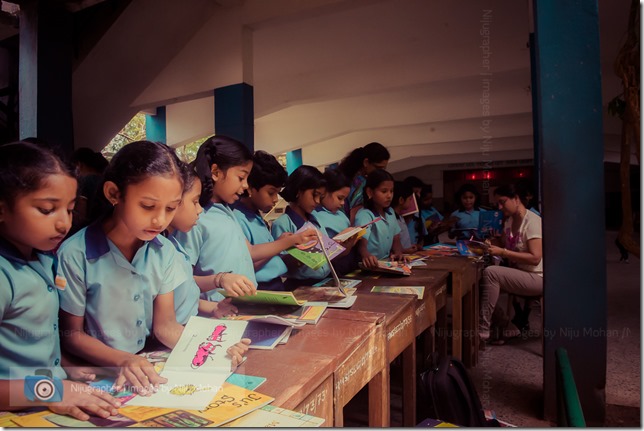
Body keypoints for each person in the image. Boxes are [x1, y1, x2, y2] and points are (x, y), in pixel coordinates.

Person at [57, 141, 250, 395]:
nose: (160, 220)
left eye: (171, 208)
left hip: (140, 367)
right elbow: (72, 335)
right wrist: (122, 360)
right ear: (114, 193)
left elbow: (165, 326)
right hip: (95, 376)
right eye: (148, 206)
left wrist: (211, 346)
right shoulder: (76, 254)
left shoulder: (164, 251)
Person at [0, 141, 121, 420]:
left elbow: (33, 341)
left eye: (68, 209)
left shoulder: (43, 260)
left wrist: (65, 367)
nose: (63, 223)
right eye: (46, 210)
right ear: (2, 209)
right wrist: (52, 389)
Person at [174, 136, 315, 298]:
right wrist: (219, 280)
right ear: (215, 172)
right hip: (217, 311)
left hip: (242, 305)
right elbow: (184, 280)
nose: (246, 185)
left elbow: (251, 251)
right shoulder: (196, 218)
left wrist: (292, 240)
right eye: (241, 177)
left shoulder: (226, 213)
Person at [233, 151, 316, 291]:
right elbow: (246, 264)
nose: (276, 199)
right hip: (259, 290)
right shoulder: (238, 219)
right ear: (251, 188)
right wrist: (280, 244)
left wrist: (280, 245)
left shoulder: (257, 217)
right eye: (271, 193)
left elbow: (269, 258)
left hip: (275, 285)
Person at [167, 162, 239, 321]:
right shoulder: (160, 249)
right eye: (195, 202)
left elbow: (183, 296)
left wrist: (214, 307)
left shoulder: (172, 244)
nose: (199, 209)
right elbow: (165, 322)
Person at [479, 184, 543, 345]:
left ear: (516, 199)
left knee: (491, 273)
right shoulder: (509, 221)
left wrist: (503, 252)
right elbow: (508, 245)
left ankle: (482, 331)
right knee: (477, 280)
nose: (499, 207)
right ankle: (506, 324)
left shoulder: (532, 221)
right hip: (519, 273)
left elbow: (535, 258)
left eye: (502, 202)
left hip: (537, 277)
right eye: (497, 204)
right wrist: (494, 242)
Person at [271, 165, 330, 289]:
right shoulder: (282, 224)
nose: (318, 201)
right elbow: (281, 264)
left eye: (321, 196)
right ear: (298, 191)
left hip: (325, 281)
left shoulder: (316, 219)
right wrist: (302, 251)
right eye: (315, 195)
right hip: (300, 286)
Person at [311, 167, 360, 275]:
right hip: (332, 269)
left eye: (344, 199)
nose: (343, 203)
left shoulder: (341, 214)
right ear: (324, 193)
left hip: (348, 266)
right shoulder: (315, 216)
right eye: (339, 198)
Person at [354, 169, 403, 268]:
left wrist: (398, 252)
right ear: (370, 192)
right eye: (384, 191)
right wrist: (366, 255)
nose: (389, 196)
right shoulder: (365, 215)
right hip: (370, 265)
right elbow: (361, 243)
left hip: (386, 263)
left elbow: (396, 238)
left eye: (391, 191)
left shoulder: (390, 212)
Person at [338, 142, 390, 224]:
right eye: (378, 168)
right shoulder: (360, 183)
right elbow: (355, 218)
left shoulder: (349, 176)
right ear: (366, 162)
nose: (381, 172)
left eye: (384, 168)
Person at [69, 147, 109, 236]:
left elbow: (81, 217)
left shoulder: (86, 180)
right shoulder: (106, 181)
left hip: (89, 233)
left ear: (79, 165)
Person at [392, 180, 421, 253]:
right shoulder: (392, 219)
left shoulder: (400, 217)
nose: (412, 202)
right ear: (401, 200)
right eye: (410, 199)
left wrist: (409, 247)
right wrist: (404, 251)